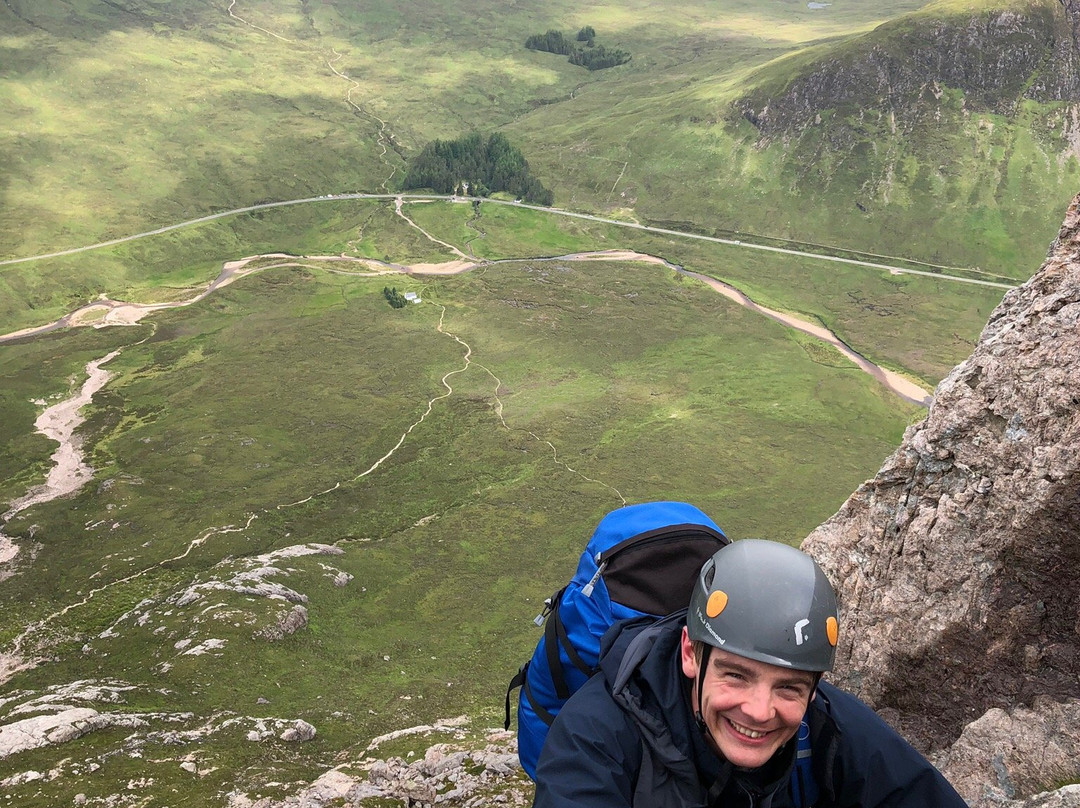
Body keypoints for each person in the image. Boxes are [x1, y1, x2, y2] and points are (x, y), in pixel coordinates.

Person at [532, 539, 968, 807]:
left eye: (789, 687)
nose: (760, 711)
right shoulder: (596, 736)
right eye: (736, 675)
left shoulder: (826, 729)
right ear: (690, 654)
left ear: (815, 690)